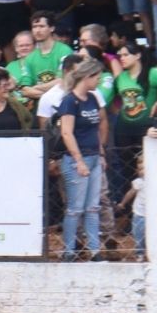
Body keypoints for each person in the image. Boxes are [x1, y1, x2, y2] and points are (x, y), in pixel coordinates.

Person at [53, 61, 106, 260]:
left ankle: (94, 249)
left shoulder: (91, 98)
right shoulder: (70, 101)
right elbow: (67, 132)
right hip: (77, 158)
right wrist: (79, 160)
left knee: (92, 206)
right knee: (75, 208)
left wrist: (100, 153)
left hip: (92, 155)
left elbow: (96, 128)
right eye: (97, 77)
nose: (98, 81)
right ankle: (69, 249)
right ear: (87, 77)